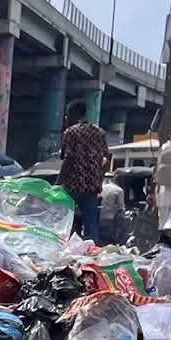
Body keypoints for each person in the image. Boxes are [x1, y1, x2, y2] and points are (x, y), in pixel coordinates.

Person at [58, 99, 111, 241]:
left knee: (63, 221)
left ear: (74, 114)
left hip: (73, 185)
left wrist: (57, 185)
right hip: (92, 187)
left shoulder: (70, 132)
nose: (66, 118)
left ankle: (63, 246)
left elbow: (68, 160)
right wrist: (99, 177)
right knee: (90, 224)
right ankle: (91, 252)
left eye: (67, 114)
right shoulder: (99, 132)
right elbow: (107, 158)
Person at [99, 173, 127, 244]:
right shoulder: (119, 190)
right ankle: (120, 242)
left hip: (99, 215)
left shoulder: (103, 186)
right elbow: (121, 207)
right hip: (110, 219)